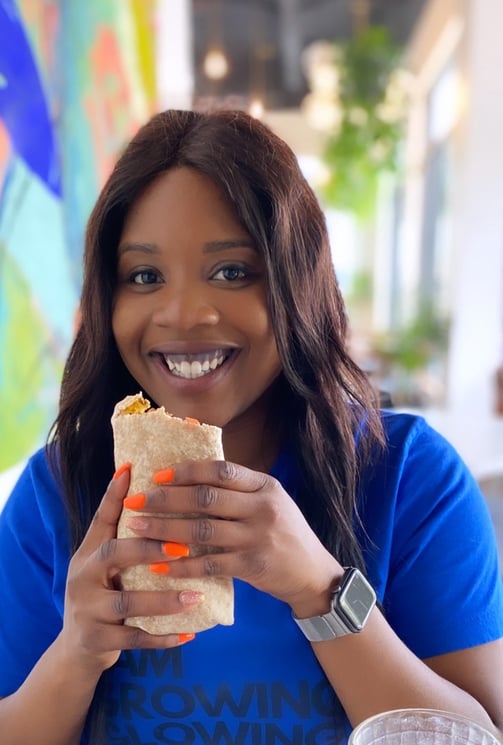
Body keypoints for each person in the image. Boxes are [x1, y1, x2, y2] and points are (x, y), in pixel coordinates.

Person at [0, 108, 502, 745]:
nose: (183, 313)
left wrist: (320, 593)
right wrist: (74, 654)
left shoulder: (410, 476)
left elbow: (478, 735)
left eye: (232, 271)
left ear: (298, 284)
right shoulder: (59, 489)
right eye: (144, 276)